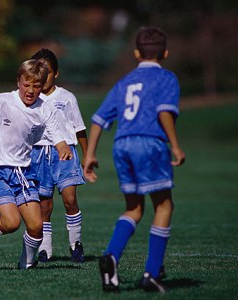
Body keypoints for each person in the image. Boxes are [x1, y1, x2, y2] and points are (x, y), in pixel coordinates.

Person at [83, 27, 186, 293]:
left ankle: (112, 257)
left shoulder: (125, 81)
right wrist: (175, 145)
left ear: (137, 53)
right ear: (165, 53)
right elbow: (164, 112)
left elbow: (98, 119)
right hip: (149, 142)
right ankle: (151, 273)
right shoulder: (167, 78)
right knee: (163, 206)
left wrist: (90, 154)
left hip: (122, 144)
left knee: (134, 208)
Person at [0, 59, 73, 270]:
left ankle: (26, 265)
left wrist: (62, 146)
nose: (30, 90)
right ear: (18, 81)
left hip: (23, 172)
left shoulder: (44, 109)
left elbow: (57, 133)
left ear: (42, 86)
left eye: (36, 86)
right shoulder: (1, 102)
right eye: (26, 84)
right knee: (11, 223)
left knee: (37, 226)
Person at [30, 49, 88, 263]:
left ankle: (76, 244)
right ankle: (45, 249)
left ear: (56, 73)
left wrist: (87, 155)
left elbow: (80, 129)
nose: (43, 76)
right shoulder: (30, 98)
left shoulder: (67, 98)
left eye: (48, 71)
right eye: (39, 71)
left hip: (65, 154)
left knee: (70, 199)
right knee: (44, 206)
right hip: (38, 155)